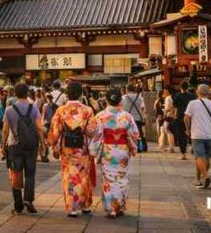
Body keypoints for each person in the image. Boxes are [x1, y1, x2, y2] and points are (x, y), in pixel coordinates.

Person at [47, 81, 96, 218]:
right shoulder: (88, 110)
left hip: (67, 148)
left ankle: (72, 207)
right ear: (81, 94)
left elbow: (55, 131)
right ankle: (85, 205)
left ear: (67, 94)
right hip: (83, 149)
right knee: (83, 176)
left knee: (69, 177)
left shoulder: (61, 110)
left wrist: (51, 144)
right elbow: (92, 131)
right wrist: (82, 129)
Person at [90, 87, 139, 218]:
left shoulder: (100, 116)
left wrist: (93, 150)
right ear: (120, 101)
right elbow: (135, 134)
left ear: (106, 100)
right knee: (122, 177)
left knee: (109, 179)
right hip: (123, 150)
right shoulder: (127, 116)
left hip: (108, 151)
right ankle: (121, 206)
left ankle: (112, 208)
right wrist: (132, 148)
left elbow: (95, 134)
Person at [2, 82, 44, 215]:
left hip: (14, 145)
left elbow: (4, 130)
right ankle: (28, 200)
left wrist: (3, 146)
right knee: (30, 173)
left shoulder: (9, 109)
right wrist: (43, 143)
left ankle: (18, 205)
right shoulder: (34, 108)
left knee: (16, 172)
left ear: (15, 93)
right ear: (28, 93)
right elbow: (39, 127)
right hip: (31, 145)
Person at [183, 83, 211, 189]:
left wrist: (187, 129)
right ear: (208, 93)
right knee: (206, 157)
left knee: (199, 156)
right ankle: (198, 179)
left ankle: (205, 176)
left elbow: (186, 118)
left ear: (197, 92)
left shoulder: (192, 103)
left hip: (197, 133)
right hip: (210, 134)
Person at [170, 81, 193, 160]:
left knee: (181, 135)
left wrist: (173, 116)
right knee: (191, 133)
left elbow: (173, 107)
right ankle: (193, 147)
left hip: (180, 117)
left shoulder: (177, 96)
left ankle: (183, 153)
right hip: (190, 117)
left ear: (180, 88)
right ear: (188, 87)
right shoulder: (192, 96)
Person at [120, 84, 146, 152]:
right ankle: (141, 147)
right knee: (138, 133)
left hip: (127, 118)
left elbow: (121, 108)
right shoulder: (140, 98)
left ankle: (130, 147)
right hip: (138, 118)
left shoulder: (124, 98)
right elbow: (143, 108)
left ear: (127, 89)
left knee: (128, 133)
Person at [155, 88, 174, 152]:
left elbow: (167, 108)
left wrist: (164, 113)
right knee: (163, 130)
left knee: (168, 131)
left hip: (167, 116)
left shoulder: (168, 98)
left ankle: (170, 147)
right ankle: (162, 146)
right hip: (170, 116)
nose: (164, 93)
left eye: (165, 91)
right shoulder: (172, 97)